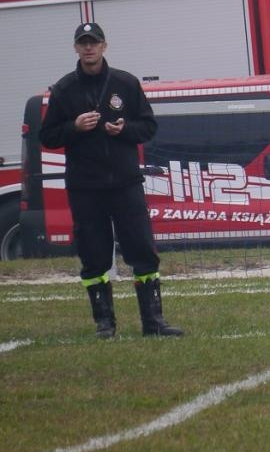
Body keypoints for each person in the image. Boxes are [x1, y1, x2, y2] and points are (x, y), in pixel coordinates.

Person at [39, 22, 183, 337]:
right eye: (83, 43)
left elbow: (148, 127)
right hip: (86, 187)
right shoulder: (63, 90)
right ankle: (105, 324)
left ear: (105, 46)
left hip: (125, 183)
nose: (89, 48)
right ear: (75, 48)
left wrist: (125, 130)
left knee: (142, 249)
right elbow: (47, 136)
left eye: (94, 42)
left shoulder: (126, 84)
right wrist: (74, 127)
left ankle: (153, 323)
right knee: (93, 254)